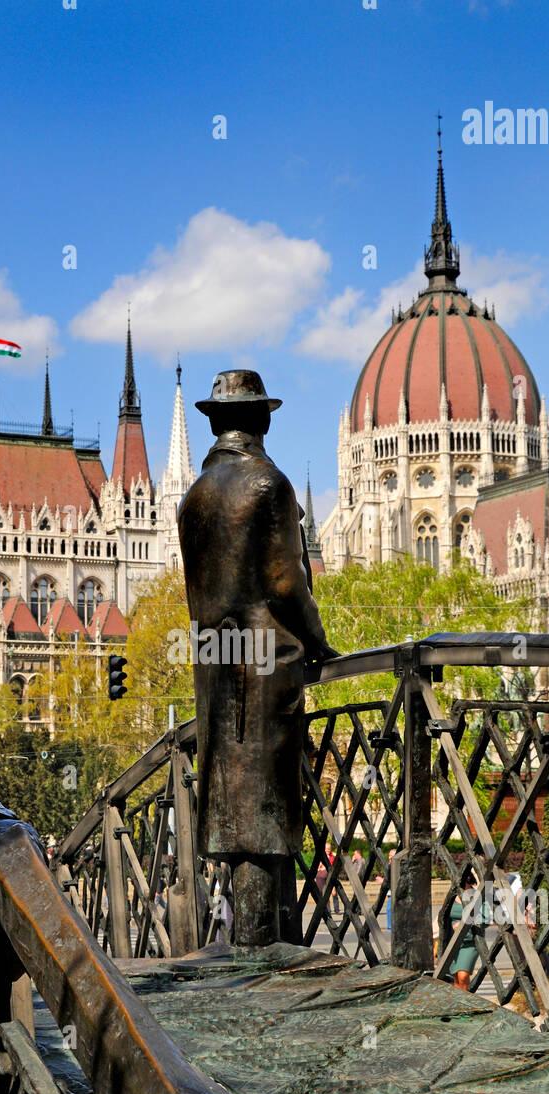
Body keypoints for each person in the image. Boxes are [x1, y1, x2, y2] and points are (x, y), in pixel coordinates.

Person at [178, 369, 337, 948]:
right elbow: (287, 581)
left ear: (216, 424)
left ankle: (258, 950)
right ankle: (259, 957)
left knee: (235, 810)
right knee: (262, 816)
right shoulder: (269, 485)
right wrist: (319, 641)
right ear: (263, 419)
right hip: (265, 667)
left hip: (215, 669)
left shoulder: (193, 498)